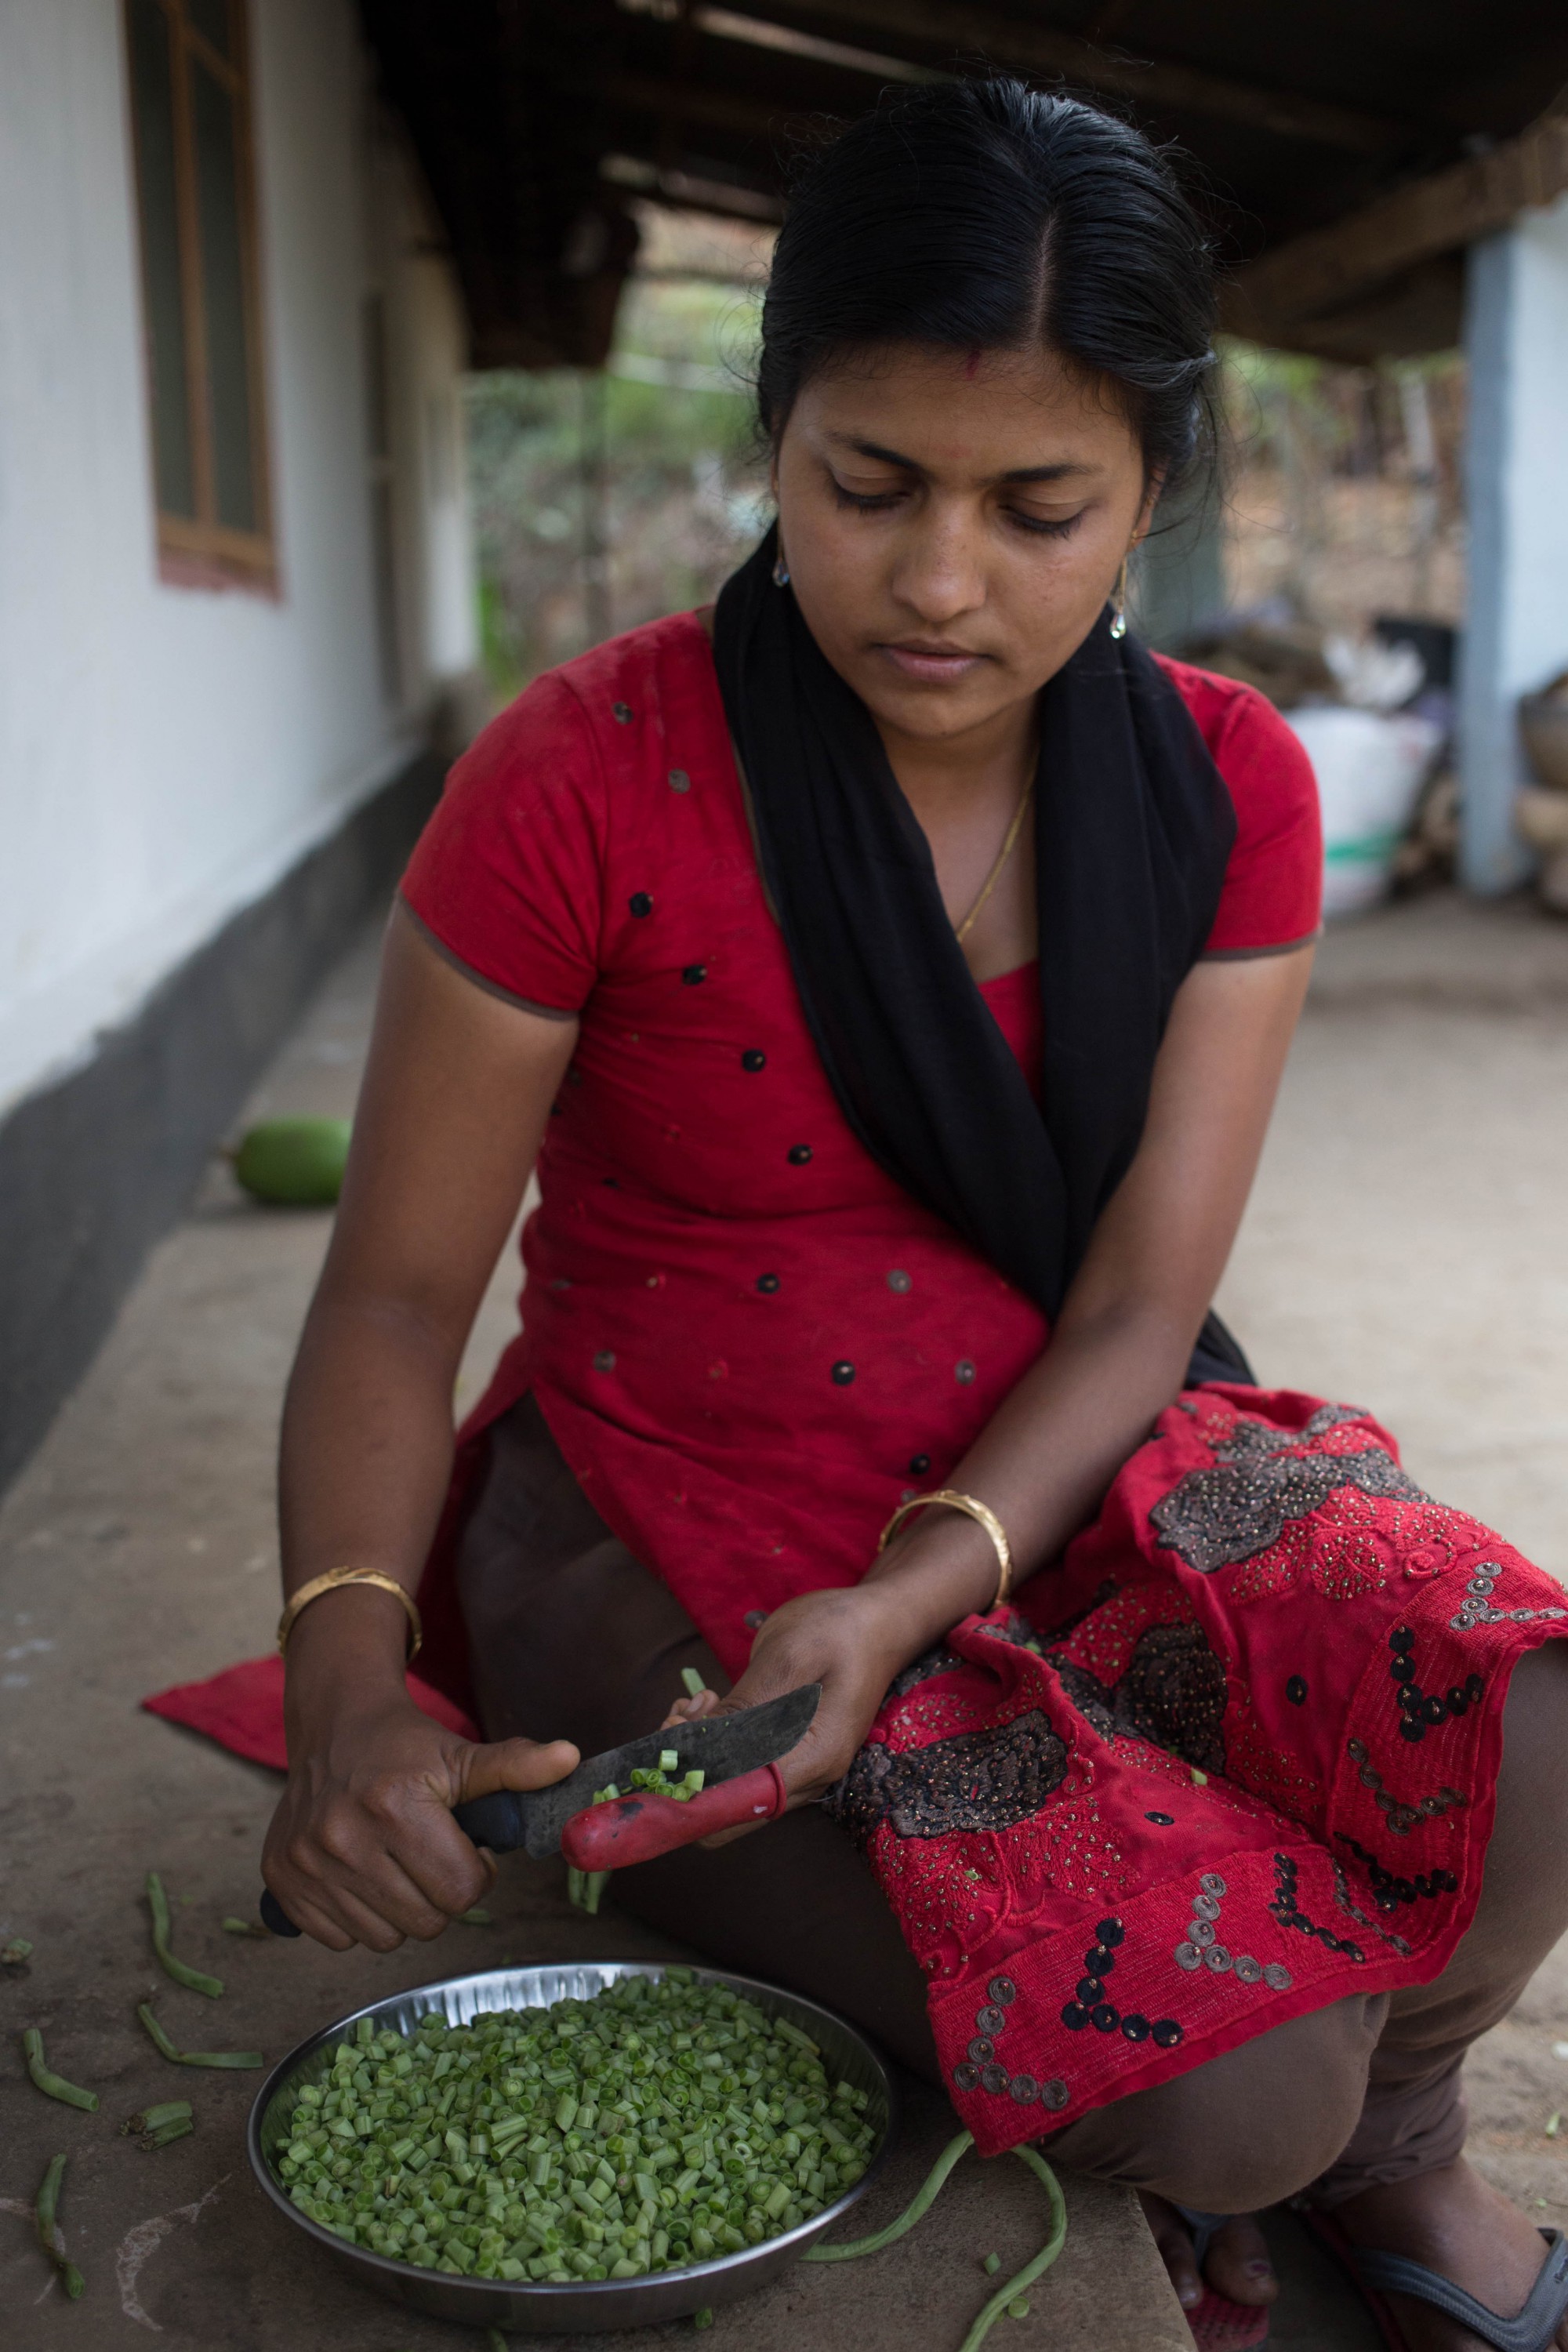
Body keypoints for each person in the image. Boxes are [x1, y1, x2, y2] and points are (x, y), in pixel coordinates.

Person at [262, 80, 1568, 2352]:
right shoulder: (585, 779)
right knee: (1237, 2077)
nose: (941, 579)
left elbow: (1148, 1298)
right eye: (869, 487)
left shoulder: (1225, 789)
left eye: (1037, 505)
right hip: (672, 1532)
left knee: (1531, 1726)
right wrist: (346, 1690)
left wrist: (921, 1590)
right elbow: (390, 1298)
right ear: (778, 441)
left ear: (1156, 485)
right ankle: (1295, 2148)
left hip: (1071, 1459)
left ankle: (1407, 2142)